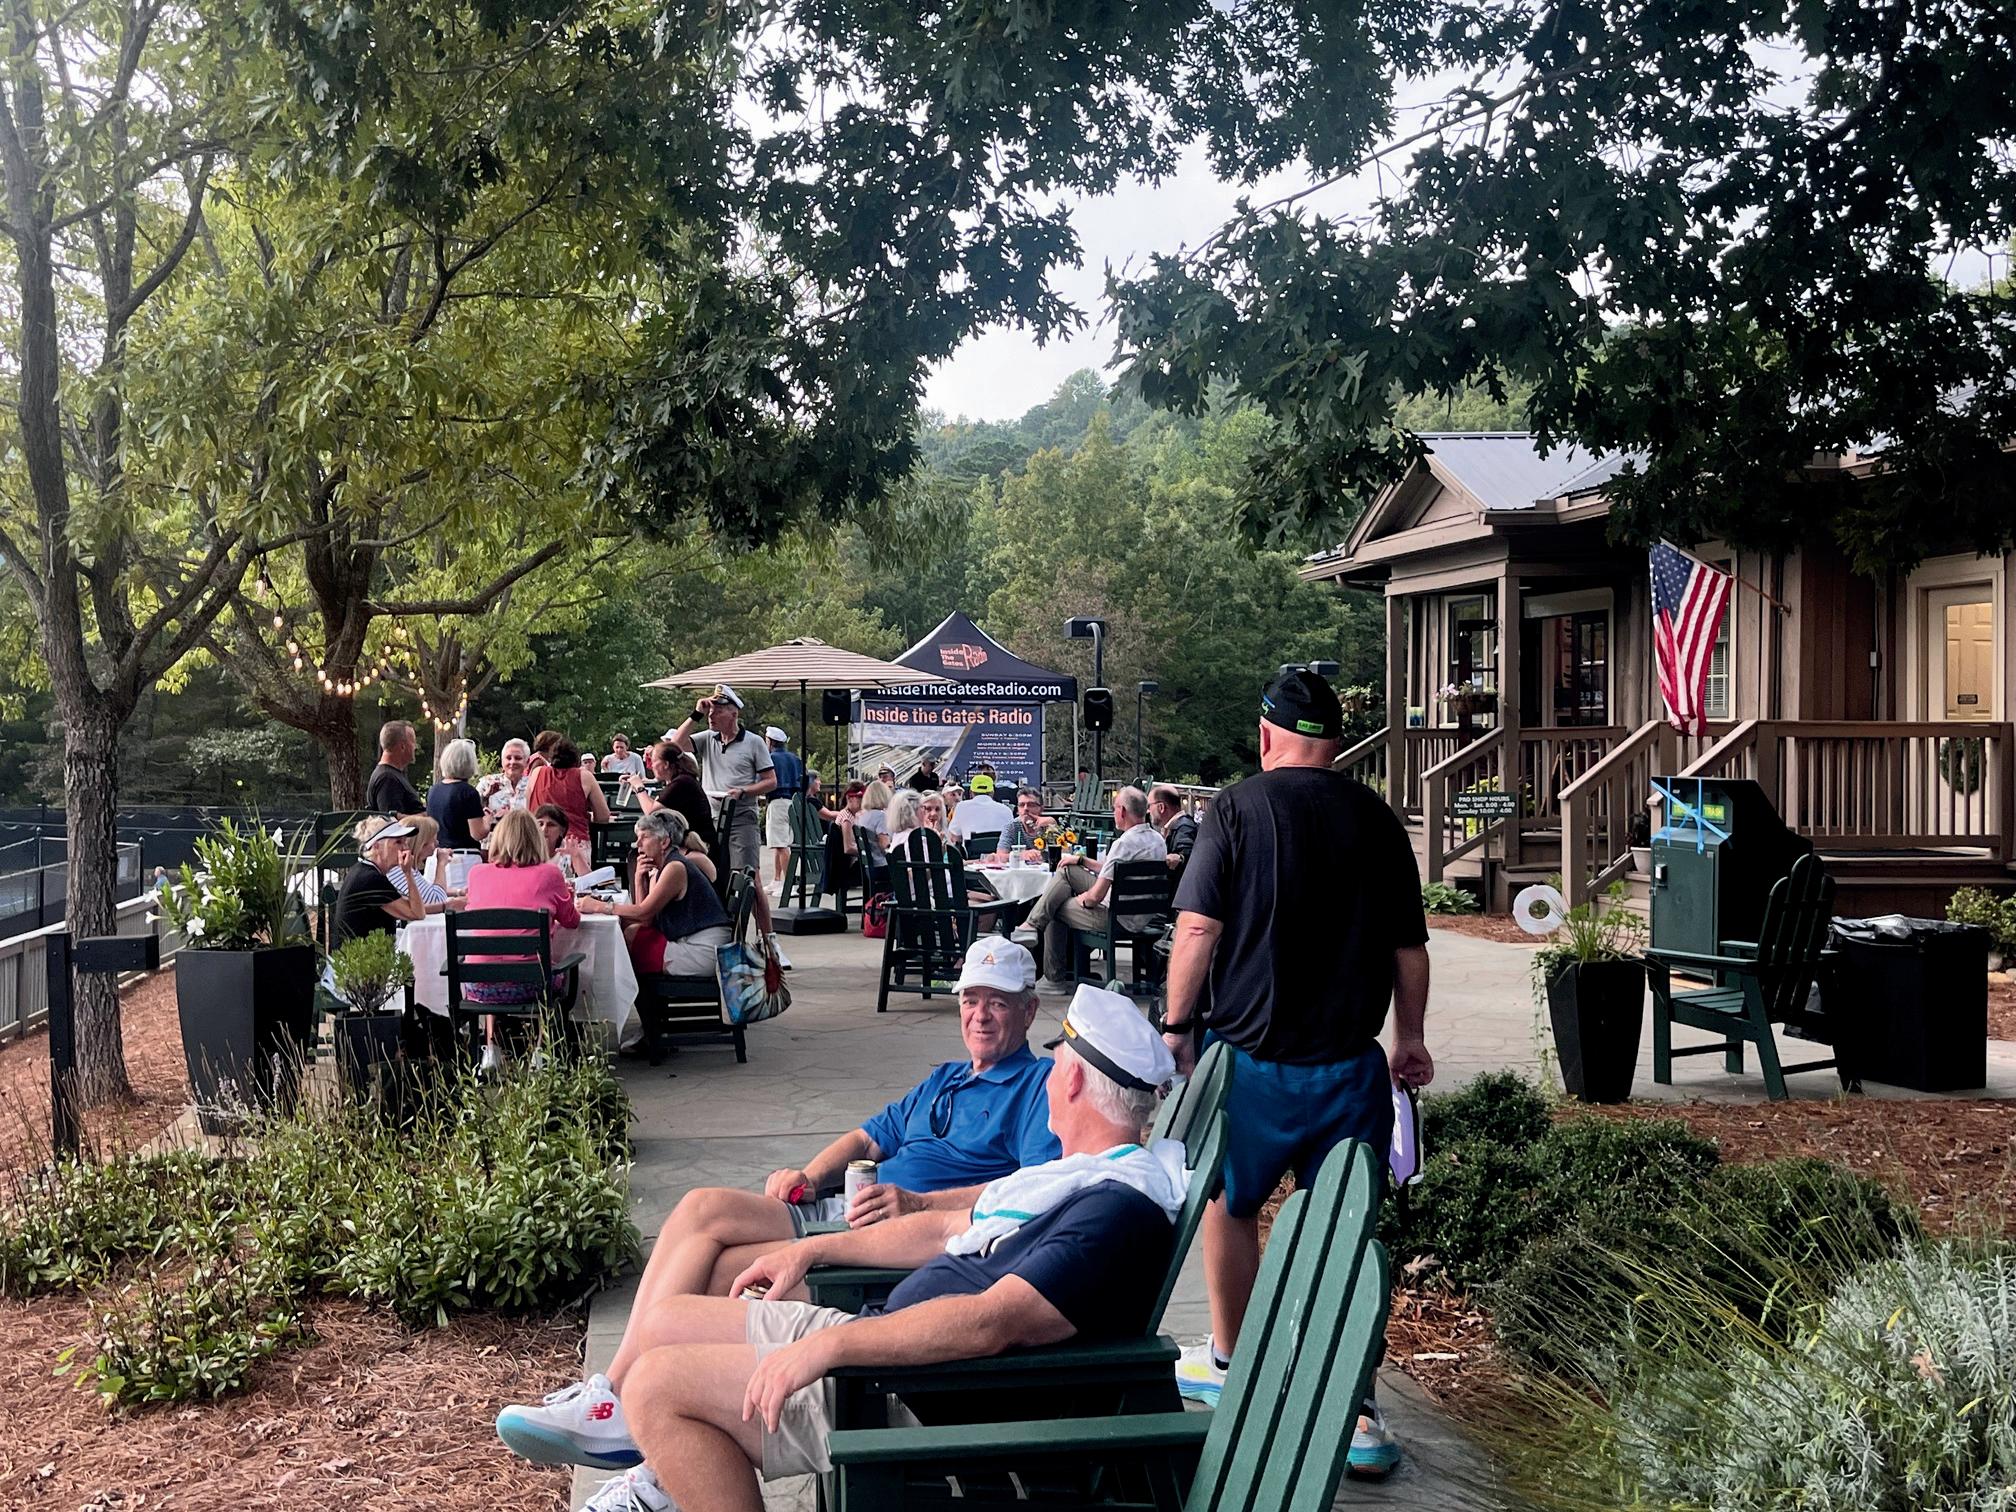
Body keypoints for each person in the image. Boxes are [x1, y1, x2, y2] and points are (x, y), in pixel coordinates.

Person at [499, 984, 1181, 1512]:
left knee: (659, 1387)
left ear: (1071, 1081)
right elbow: (942, 1230)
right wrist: (815, 1254)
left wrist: (830, 1348)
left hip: (914, 1389)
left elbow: (990, 1322)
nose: (1049, 1078)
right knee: (662, 1321)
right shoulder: (1070, 1179)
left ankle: (660, 1455)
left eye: (1056, 1066)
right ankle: (656, 1463)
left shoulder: (1113, 1210)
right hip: (886, 1343)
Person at [1160, 668, 1432, 1479]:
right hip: (1350, 1068)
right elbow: (1409, 949)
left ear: (1265, 733)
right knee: (1342, 1230)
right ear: (1336, 742)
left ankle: (1231, 1362)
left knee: (1229, 1205)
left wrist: (1176, 1027)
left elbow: (1197, 929)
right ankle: (1353, 1410)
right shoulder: (1378, 818)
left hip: (1253, 1065)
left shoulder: (1235, 809)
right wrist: (1410, 1039)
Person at [462, 807, 582, 1073]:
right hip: (532, 986)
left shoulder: (477, 874)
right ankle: (540, 1051)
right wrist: (567, 897)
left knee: (493, 960)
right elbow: (572, 921)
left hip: (479, 986)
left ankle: (491, 1048)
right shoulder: (549, 874)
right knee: (547, 969)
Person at [1012, 786, 1167, 982]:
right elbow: (1113, 869)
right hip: (1141, 915)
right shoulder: (1157, 840)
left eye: (1114, 808)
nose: (1113, 812)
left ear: (1122, 811)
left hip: (1116, 918)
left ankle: (1053, 977)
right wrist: (1082, 860)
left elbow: (1095, 898)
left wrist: (1082, 900)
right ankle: (1031, 926)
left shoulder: (1123, 844)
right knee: (1068, 870)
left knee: (1052, 905)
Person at [582, 809, 732, 978]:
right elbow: (646, 921)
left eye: (644, 837)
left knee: (631, 938)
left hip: (704, 950)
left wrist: (598, 906)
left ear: (664, 842)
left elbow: (643, 912)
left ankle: (622, 988)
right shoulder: (663, 866)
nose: (637, 844)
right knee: (629, 930)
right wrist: (639, 879)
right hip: (691, 940)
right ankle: (624, 988)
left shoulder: (675, 868)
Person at [669, 685, 775, 880]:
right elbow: (673, 747)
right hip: (710, 819)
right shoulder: (708, 738)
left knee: (745, 876)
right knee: (714, 874)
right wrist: (696, 714)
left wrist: (743, 791)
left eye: (717, 711)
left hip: (741, 818)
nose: (711, 716)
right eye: (710, 711)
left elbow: (771, 781)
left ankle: (756, 902)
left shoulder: (754, 742)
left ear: (734, 714)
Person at [330, 817, 428, 946]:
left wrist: (444, 906)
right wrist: (408, 873)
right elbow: (417, 913)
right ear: (376, 846)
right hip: (360, 957)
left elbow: (409, 905)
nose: (405, 848)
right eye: (398, 842)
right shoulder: (371, 879)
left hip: (359, 954)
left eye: (405, 842)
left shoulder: (364, 870)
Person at [632, 743, 719, 854]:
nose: (651, 766)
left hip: (699, 846)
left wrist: (639, 787)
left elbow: (651, 812)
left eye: (653, 761)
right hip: (699, 841)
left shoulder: (681, 783)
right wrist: (637, 788)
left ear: (666, 764)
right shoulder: (683, 780)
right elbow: (655, 807)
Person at [526, 733, 612, 844]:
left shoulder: (537, 773)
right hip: (573, 841)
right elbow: (603, 817)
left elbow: (528, 808)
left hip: (538, 841)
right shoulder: (584, 776)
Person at [428, 738, 490, 850]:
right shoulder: (468, 793)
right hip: (463, 854)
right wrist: (488, 820)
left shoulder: (433, 790)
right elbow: (478, 834)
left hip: (438, 853)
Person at [762, 727, 806, 886]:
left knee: (780, 845)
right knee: (781, 843)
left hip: (777, 801)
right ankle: (777, 879)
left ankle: (788, 883)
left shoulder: (770, 758)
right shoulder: (795, 759)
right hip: (793, 802)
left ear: (770, 741)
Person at [385, 813, 454, 911]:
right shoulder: (397, 869)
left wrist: (459, 892)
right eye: (433, 840)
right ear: (421, 843)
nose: (437, 843)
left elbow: (428, 891)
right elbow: (436, 900)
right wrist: (441, 863)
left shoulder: (409, 867)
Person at [820, 781, 869, 899]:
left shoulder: (851, 815)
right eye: (860, 798)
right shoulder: (846, 819)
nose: (863, 802)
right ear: (849, 798)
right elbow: (848, 848)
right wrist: (867, 851)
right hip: (847, 869)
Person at [366, 720, 423, 814]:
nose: (415, 747)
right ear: (402, 746)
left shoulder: (391, 775)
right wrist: (426, 817)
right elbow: (391, 820)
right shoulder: (387, 779)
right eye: (413, 741)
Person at [949, 772, 1013, 846]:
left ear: (970, 793)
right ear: (992, 792)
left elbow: (954, 836)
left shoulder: (961, 807)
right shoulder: (1006, 810)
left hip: (970, 853)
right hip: (999, 852)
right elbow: (1012, 838)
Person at [995, 787, 1056, 859]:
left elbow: (1063, 853)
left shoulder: (1048, 825)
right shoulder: (1011, 827)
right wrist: (1021, 855)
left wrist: (1054, 828)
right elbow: (1000, 856)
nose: (1025, 808)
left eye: (1031, 805)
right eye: (1021, 805)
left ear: (1041, 809)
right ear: (1017, 810)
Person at [479, 738, 534, 818]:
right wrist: (485, 797)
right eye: (508, 758)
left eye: (518, 758)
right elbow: (472, 813)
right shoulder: (486, 783)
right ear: (502, 761)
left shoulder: (533, 785)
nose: (512, 762)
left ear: (527, 762)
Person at [1149, 784, 1198, 871]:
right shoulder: (1178, 826)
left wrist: (1180, 858)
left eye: (1149, 806)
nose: (1148, 811)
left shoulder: (1184, 828)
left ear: (1161, 807)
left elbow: (1188, 855)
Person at [536, 802, 592, 878]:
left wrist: (576, 856)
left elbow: (588, 880)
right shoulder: (526, 850)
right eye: (540, 824)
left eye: (551, 825)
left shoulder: (569, 849)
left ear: (562, 831)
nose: (544, 829)